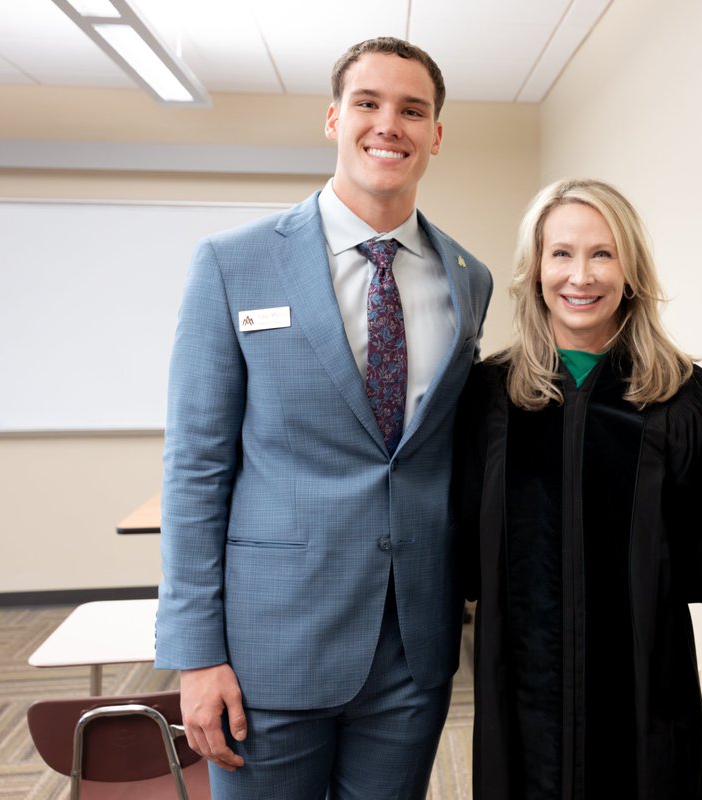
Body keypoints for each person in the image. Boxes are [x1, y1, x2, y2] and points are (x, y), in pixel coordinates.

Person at [154, 37, 492, 799]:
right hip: (268, 648)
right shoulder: (232, 264)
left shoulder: (469, 279)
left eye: (413, 110)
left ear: (435, 134)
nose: (389, 125)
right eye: (368, 104)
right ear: (334, 118)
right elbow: (196, 467)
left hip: (413, 647)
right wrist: (195, 654)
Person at [456, 178, 702, 799]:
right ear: (534, 269)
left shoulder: (686, 398)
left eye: (602, 254)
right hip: (520, 695)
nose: (579, 276)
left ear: (631, 270)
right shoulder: (488, 397)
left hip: (644, 697)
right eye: (561, 254)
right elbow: (458, 548)